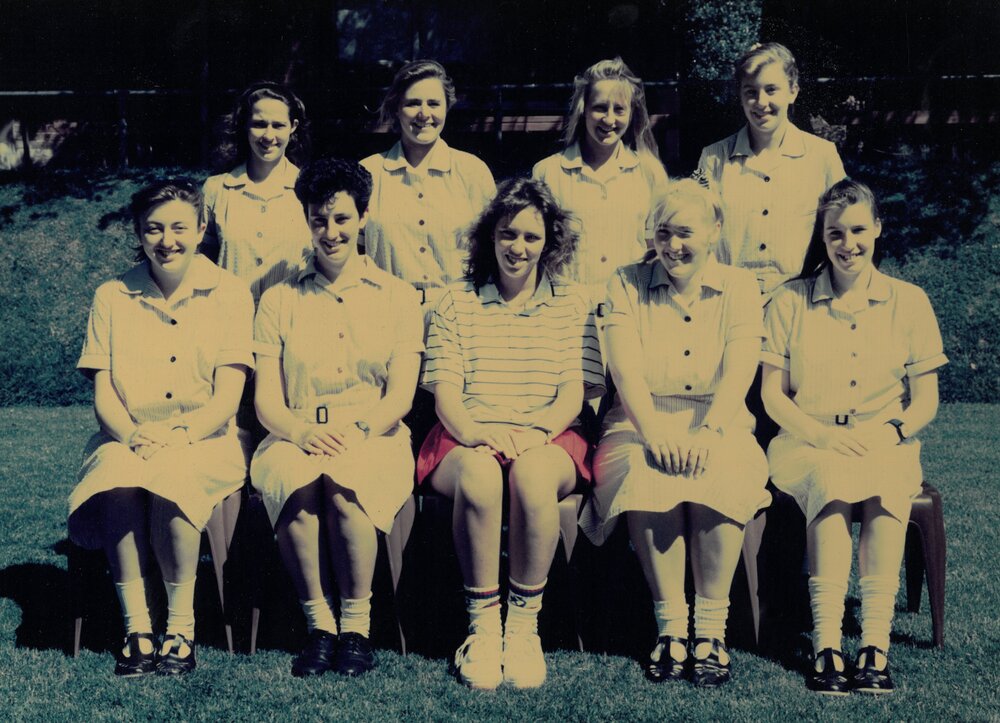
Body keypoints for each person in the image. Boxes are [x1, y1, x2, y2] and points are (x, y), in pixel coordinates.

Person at [579, 179, 770, 688]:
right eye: (663, 232)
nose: (673, 245)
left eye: (685, 232)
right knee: (650, 472)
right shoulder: (625, 282)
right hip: (638, 421)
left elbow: (739, 371)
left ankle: (710, 633)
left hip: (719, 419)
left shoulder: (742, 287)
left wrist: (710, 432)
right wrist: (654, 431)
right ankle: (669, 632)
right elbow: (625, 370)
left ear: (715, 232)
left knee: (720, 470)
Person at [761, 179, 947, 696]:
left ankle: (874, 648)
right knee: (832, 475)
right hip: (805, 441)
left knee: (886, 484)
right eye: (835, 233)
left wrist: (890, 432)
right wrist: (821, 435)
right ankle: (826, 647)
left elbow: (925, 401)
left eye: (858, 230)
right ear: (822, 238)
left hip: (884, 440)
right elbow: (773, 396)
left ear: (878, 229)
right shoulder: (790, 301)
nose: (848, 244)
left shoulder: (909, 302)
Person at [417, 178, 604, 690]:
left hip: (548, 434)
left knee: (533, 476)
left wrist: (537, 432)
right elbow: (446, 396)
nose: (517, 248)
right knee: (479, 477)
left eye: (530, 237)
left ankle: (523, 630)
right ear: (489, 236)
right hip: (465, 435)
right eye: (507, 234)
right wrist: (481, 434)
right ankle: (482, 629)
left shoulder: (573, 302)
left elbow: (574, 391)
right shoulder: (455, 301)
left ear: (549, 242)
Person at [68, 180, 254, 677]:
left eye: (178, 227)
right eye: (153, 228)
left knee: (175, 476)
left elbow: (227, 397)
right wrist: (131, 436)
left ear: (201, 229)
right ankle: (137, 629)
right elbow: (103, 392)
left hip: (206, 439)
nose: (166, 240)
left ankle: (181, 629)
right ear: (139, 233)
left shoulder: (231, 293)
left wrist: (181, 436)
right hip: (127, 435)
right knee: (116, 479)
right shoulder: (111, 295)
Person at [250, 158, 423, 678]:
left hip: (374, 430)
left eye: (342, 219)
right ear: (306, 219)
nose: (331, 232)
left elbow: (401, 395)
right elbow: (266, 401)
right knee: (297, 488)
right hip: (294, 429)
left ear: (363, 217)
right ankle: (319, 627)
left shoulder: (397, 296)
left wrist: (360, 430)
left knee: (348, 492)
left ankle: (356, 628)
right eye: (320, 220)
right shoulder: (278, 299)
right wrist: (301, 433)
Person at [200, 81, 313, 459]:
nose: (269, 135)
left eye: (279, 126)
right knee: (233, 435)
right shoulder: (217, 190)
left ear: (293, 128)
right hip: (231, 334)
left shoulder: (307, 189)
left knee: (283, 436)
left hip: (292, 335)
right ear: (244, 127)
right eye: (259, 124)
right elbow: (201, 262)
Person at [696, 42, 845, 304]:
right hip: (729, 303)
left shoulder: (823, 157)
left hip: (803, 303)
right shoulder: (713, 159)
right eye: (751, 92)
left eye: (771, 90)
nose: (761, 102)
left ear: (793, 91)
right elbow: (698, 236)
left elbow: (843, 232)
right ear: (740, 96)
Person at [361, 59, 496, 321]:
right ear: (396, 109)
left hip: (461, 316)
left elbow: (493, 252)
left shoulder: (472, 172)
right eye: (413, 103)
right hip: (386, 315)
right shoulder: (368, 173)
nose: (424, 114)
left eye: (433, 103)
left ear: (447, 108)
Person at [532, 57, 668, 313]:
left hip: (630, 309)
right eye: (600, 108)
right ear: (583, 109)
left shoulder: (650, 174)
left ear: (631, 113)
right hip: (566, 311)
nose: (609, 119)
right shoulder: (548, 173)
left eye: (619, 109)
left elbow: (657, 251)